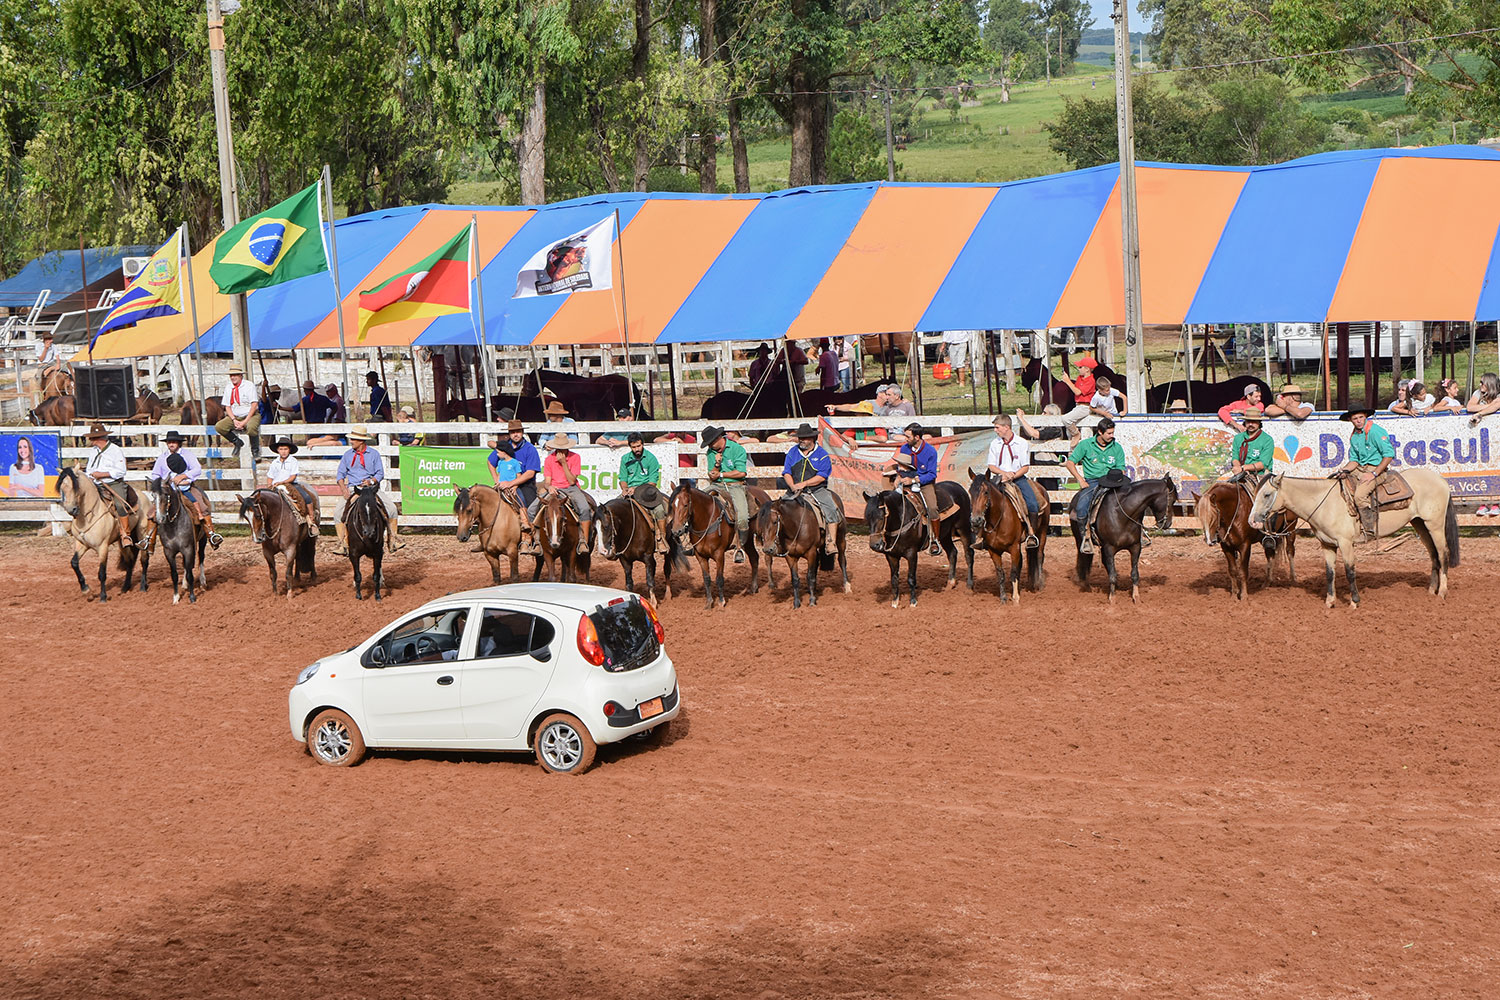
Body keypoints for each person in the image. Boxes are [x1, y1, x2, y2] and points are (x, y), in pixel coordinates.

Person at [1063, 417, 1127, 556]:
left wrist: (1118, 477)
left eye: (1112, 433)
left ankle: (1138, 532)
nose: (1112, 436)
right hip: (1093, 481)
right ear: (1100, 432)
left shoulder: (1117, 447)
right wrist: (1080, 480)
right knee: (1081, 506)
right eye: (1109, 433)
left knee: (1132, 500)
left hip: (1113, 480)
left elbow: (1121, 467)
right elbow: (1070, 463)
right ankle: (1085, 536)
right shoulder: (1085, 445)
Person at [334, 425, 402, 553]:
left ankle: (393, 540)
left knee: (392, 509)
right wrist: (344, 489)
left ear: (361, 441)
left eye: (354, 439)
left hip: (372, 489)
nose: (351, 441)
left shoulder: (374, 454)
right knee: (338, 513)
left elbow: (380, 473)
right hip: (354, 489)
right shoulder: (347, 455)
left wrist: (371, 481)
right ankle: (343, 544)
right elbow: (340, 475)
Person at [150, 429, 222, 546]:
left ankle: (211, 534)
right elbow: (155, 473)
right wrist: (160, 482)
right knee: (153, 511)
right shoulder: (162, 457)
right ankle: (149, 540)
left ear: (179, 443)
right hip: (167, 489)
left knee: (200, 504)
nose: (171, 444)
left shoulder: (187, 455)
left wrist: (184, 476)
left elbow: (197, 469)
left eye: (173, 442)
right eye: (169, 442)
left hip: (186, 486)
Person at [1337, 407, 1395, 540]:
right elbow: (1354, 460)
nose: (1358, 421)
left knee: (1359, 496)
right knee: (1339, 485)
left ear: (1365, 417)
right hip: (1361, 468)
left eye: (1361, 417)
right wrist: (1345, 470)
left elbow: (1389, 454)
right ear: (1350, 421)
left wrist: (1374, 474)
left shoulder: (1375, 431)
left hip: (1377, 469)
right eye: (1355, 419)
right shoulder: (1355, 435)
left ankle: (1370, 530)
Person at [782, 422, 841, 554]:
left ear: (812, 439)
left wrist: (804, 484)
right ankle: (778, 541)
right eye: (800, 438)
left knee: (830, 509)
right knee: (779, 508)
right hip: (794, 489)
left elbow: (822, 476)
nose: (801, 440)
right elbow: (787, 472)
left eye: (805, 438)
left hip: (816, 490)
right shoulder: (792, 452)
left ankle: (831, 542)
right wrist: (792, 486)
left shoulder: (822, 454)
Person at [529, 433, 592, 556]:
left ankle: (583, 541)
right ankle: (534, 541)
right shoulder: (549, 459)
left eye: (563, 448)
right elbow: (547, 482)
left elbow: (572, 481)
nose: (560, 451)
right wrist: (549, 487)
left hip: (571, 488)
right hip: (553, 489)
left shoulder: (575, 457)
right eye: (558, 448)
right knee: (531, 510)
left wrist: (564, 463)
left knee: (584, 508)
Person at [886, 422, 942, 554]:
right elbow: (902, 465)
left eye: (908, 437)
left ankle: (934, 540)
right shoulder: (905, 448)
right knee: (889, 501)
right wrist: (899, 477)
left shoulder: (930, 451)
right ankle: (889, 534)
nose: (905, 439)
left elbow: (931, 474)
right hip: (905, 480)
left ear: (917, 437)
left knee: (932, 507)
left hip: (924, 483)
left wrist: (914, 480)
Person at [985, 414, 1039, 548]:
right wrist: (1003, 474)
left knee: (1032, 503)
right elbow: (991, 466)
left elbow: (1025, 467)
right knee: (982, 501)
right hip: (999, 478)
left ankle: (1031, 533)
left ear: (1006, 427)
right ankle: (982, 535)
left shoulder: (1021, 443)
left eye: (997, 427)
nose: (995, 430)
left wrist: (1012, 476)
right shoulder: (995, 443)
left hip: (1018, 478)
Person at [702, 425, 752, 561]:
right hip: (716, 485)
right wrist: (717, 465)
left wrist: (721, 474)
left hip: (735, 485)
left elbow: (742, 472)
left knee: (742, 516)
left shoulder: (737, 449)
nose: (711, 446)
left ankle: (740, 546)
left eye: (712, 443)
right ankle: (693, 540)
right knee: (696, 502)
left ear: (719, 438)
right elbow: (712, 474)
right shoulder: (711, 452)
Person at [84, 423, 136, 546]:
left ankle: (125, 534)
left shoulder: (115, 451)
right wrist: (91, 475)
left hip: (112, 483)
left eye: (92, 438)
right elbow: (89, 468)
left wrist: (102, 474)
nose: (90, 440)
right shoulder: (94, 451)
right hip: (95, 482)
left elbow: (121, 471)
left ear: (99, 439)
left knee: (119, 504)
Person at [618, 432, 667, 551]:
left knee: (659, 510)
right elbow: (623, 479)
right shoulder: (625, 459)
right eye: (634, 447)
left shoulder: (651, 458)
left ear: (643, 444)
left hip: (647, 490)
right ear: (630, 447)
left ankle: (662, 539)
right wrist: (624, 489)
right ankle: (616, 542)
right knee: (614, 509)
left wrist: (637, 489)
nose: (636, 449)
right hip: (629, 490)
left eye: (638, 446)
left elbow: (653, 482)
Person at [495, 422, 541, 543]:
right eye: (513, 432)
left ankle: (530, 537)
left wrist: (511, 484)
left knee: (532, 507)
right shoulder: (505, 447)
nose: (516, 434)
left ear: (522, 432)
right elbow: (491, 461)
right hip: (503, 483)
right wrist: (498, 481)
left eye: (518, 431)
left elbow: (530, 473)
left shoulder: (530, 449)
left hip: (526, 484)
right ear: (509, 434)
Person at [266, 437, 318, 536]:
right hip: (276, 485)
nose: (283, 452)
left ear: (289, 450)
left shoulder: (293, 461)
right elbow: (270, 476)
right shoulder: (274, 462)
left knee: (306, 497)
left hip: (290, 484)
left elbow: (293, 476)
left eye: (285, 449)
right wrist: (269, 485)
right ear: (278, 450)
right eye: (281, 449)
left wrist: (283, 482)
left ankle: (311, 519)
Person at [215, 365, 262, 461]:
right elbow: (227, 406)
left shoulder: (249, 385)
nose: (232, 377)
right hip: (235, 415)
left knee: (252, 427)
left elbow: (254, 404)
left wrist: (245, 421)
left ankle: (255, 450)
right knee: (219, 426)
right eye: (231, 375)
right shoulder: (229, 387)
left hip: (250, 414)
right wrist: (234, 419)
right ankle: (237, 442)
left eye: (235, 375)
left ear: (241, 376)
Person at [1049, 355, 1100, 429]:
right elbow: (1075, 388)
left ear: (1087, 369)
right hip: (1078, 406)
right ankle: (1074, 436)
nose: (1078, 369)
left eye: (1080, 367)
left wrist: (1067, 381)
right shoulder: (1080, 378)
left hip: (1085, 407)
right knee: (1069, 423)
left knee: (1066, 419)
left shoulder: (1091, 381)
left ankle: (1076, 434)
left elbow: (1078, 392)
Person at [1223, 411, 1273, 481]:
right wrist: (1237, 467)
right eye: (1248, 421)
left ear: (1259, 422)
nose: (1250, 424)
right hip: (1241, 473)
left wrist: (1243, 468)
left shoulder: (1267, 440)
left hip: (1260, 475)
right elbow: (1235, 457)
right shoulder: (1238, 438)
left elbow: (1263, 464)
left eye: (1254, 422)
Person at [1015, 404, 1080, 445]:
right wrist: (1024, 418)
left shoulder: (1055, 430)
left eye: (1045, 413)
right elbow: (1029, 432)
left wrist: (1021, 419)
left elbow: (1034, 434)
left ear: (1052, 415)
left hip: (1049, 461)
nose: (1042, 415)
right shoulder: (1043, 427)